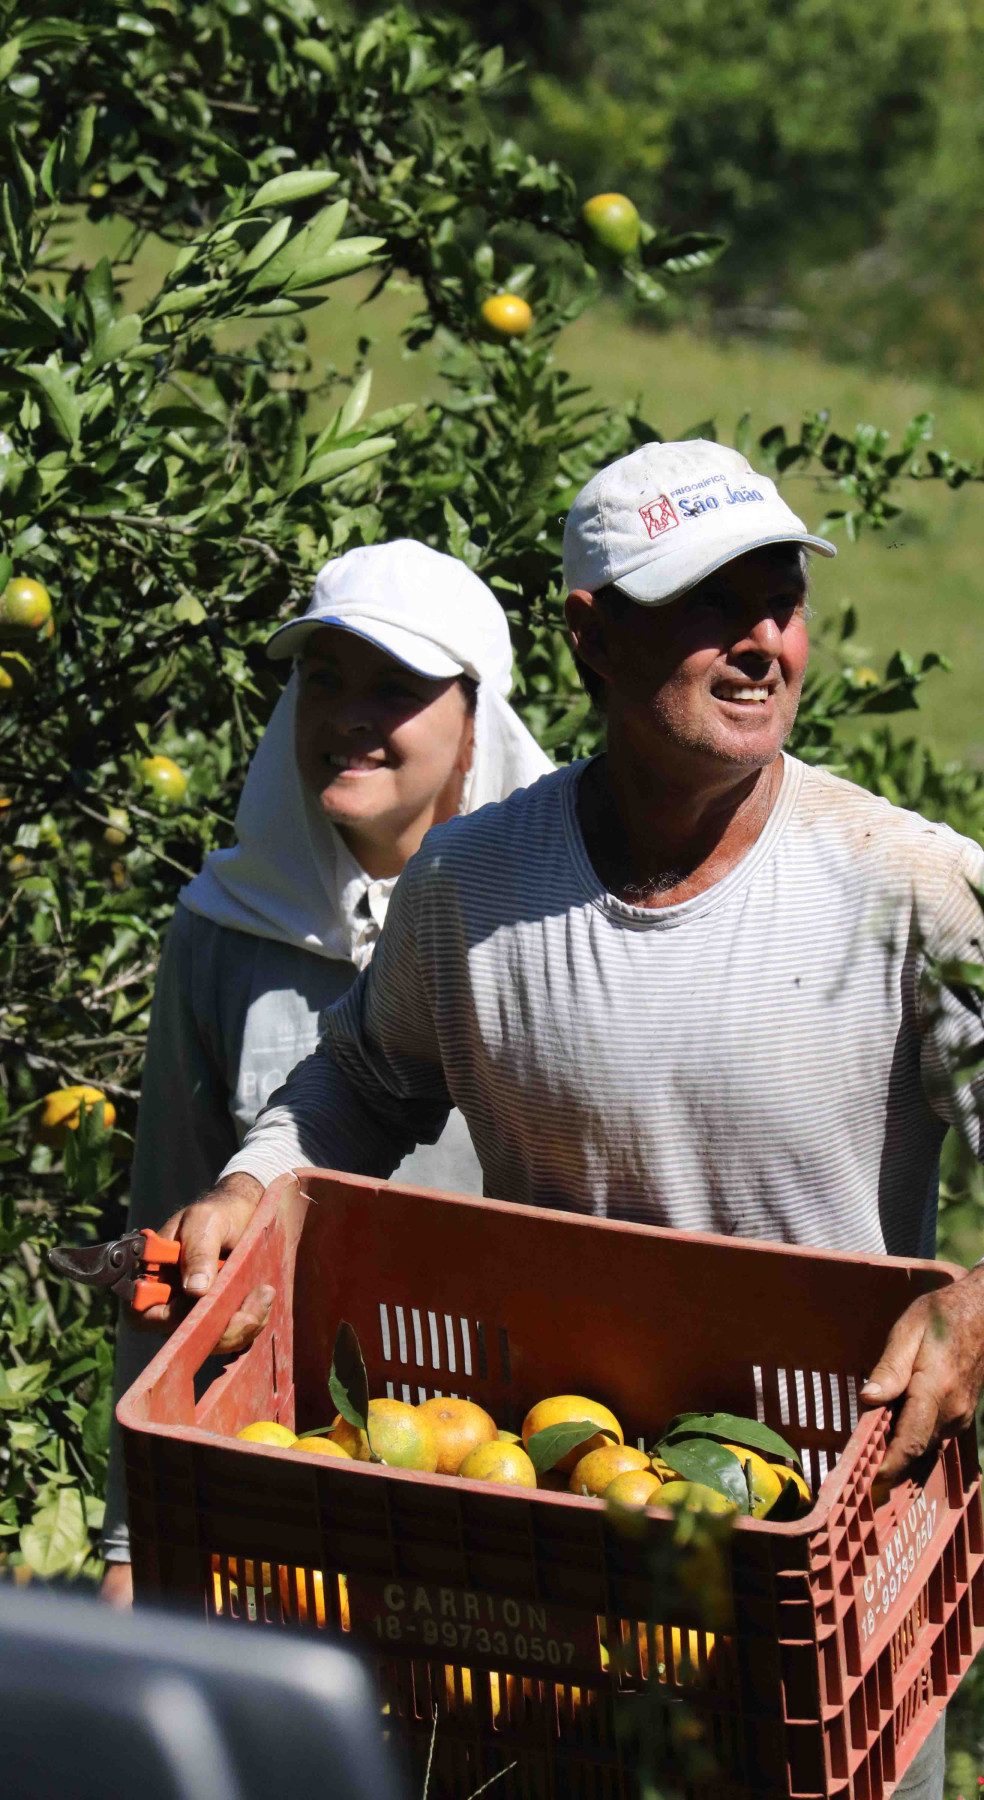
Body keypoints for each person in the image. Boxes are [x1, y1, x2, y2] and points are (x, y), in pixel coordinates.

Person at [151, 441, 984, 1798]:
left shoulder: (912, 891)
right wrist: (258, 1185)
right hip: (560, 1543)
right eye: (710, 603)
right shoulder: (476, 888)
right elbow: (362, 1079)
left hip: (821, 1575)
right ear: (591, 634)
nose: (762, 639)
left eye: (781, 599)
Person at [98, 539, 552, 1603]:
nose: (349, 715)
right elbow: (166, 1251)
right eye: (324, 680)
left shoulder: (542, 931)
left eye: (393, 687)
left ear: (475, 721)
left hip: (514, 1467)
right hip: (285, 1463)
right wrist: (134, 1541)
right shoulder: (225, 932)